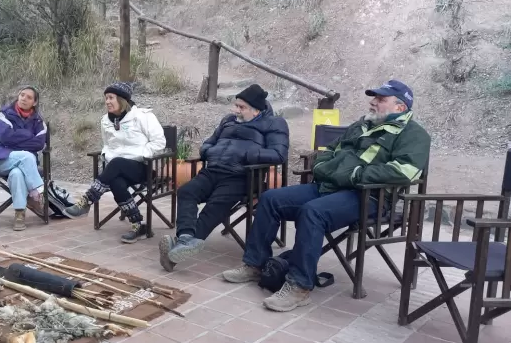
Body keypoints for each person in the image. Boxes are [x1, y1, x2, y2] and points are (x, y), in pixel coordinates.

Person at [222, 80, 430, 312]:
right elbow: (329, 151)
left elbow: (404, 172)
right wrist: (322, 167)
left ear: (400, 107)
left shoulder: (414, 135)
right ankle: (255, 264)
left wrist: (355, 175)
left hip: (368, 196)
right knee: (271, 198)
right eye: (374, 97)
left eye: (380, 99)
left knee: (313, 212)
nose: (373, 102)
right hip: (330, 186)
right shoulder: (361, 125)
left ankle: (299, 286)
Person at [159, 84, 289, 271]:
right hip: (213, 170)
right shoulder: (228, 120)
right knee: (186, 192)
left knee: (215, 205)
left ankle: (180, 249)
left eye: (241, 107)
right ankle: (186, 238)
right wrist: (210, 151)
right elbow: (208, 144)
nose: (236, 110)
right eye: (236, 105)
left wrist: (246, 155)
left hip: (242, 175)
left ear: (256, 110)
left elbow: (279, 154)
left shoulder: (274, 124)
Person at [64, 82, 166, 243]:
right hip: (117, 168)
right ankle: (138, 225)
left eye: (111, 98)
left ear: (122, 99)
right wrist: (108, 156)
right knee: (116, 182)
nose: (107, 102)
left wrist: (141, 154)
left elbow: (159, 142)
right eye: (106, 98)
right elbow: (107, 145)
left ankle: (87, 200)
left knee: (117, 163)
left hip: (142, 167)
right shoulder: (105, 121)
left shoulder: (143, 116)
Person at [0, 86, 48, 231]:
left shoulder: (38, 121)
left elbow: (39, 143)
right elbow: (6, 137)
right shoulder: (5, 114)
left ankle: (19, 214)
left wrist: (16, 137)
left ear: (34, 102)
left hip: (23, 165)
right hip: (0, 159)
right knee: (27, 156)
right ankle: (38, 193)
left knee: (17, 174)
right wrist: (28, 136)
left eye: (29, 97)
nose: (24, 98)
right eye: (22, 95)